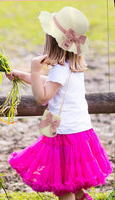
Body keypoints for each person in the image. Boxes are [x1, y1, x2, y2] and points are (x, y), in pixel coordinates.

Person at [6, 6, 113, 200]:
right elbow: (54, 84)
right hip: (80, 131)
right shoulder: (73, 65)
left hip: (64, 135)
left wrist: (35, 70)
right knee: (75, 185)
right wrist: (25, 76)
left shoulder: (59, 69)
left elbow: (43, 97)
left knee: (64, 187)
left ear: (53, 43)